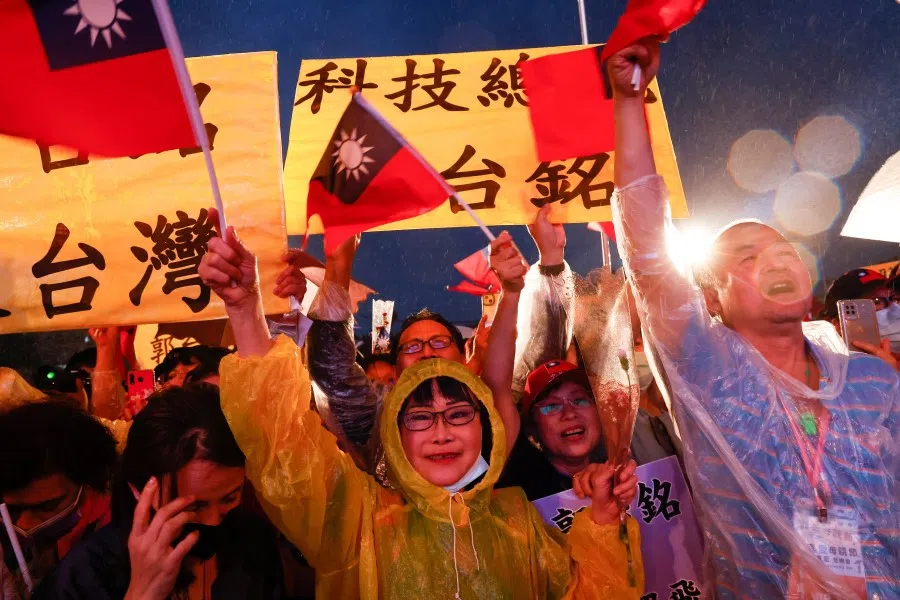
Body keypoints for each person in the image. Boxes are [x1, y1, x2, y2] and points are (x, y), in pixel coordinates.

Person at [199, 221, 645, 599]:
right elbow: (284, 442)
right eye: (420, 417)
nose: (441, 432)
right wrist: (245, 310)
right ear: (394, 422)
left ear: (485, 419)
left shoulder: (518, 520)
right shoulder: (357, 520)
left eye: (457, 414)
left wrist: (604, 519)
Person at [610, 39, 898, 599]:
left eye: (785, 248)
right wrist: (629, 101)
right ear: (711, 298)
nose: (776, 259)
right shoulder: (709, 374)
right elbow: (647, 249)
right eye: (746, 259)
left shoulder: (874, 383)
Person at [47, 384, 284, 599]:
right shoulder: (84, 574)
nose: (213, 521)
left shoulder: (252, 540)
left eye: (230, 497)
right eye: (193, 506)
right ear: (139, 490)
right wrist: (142, 593)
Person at [0, 401, 118, 597]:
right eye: (13, 510)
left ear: (97, 486)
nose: (24, 525)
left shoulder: (126, 560)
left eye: (48, 506)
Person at [497, 360, 609, 500]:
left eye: (579, 400)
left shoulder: (621, 476)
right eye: (552, 406)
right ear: (532, 427)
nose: (569, 413)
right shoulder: (517, 493)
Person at [822, 268, 898, 369]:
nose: (896, 309)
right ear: (838, 325)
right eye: (876, 301)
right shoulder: (832, 377)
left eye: (896, 299)